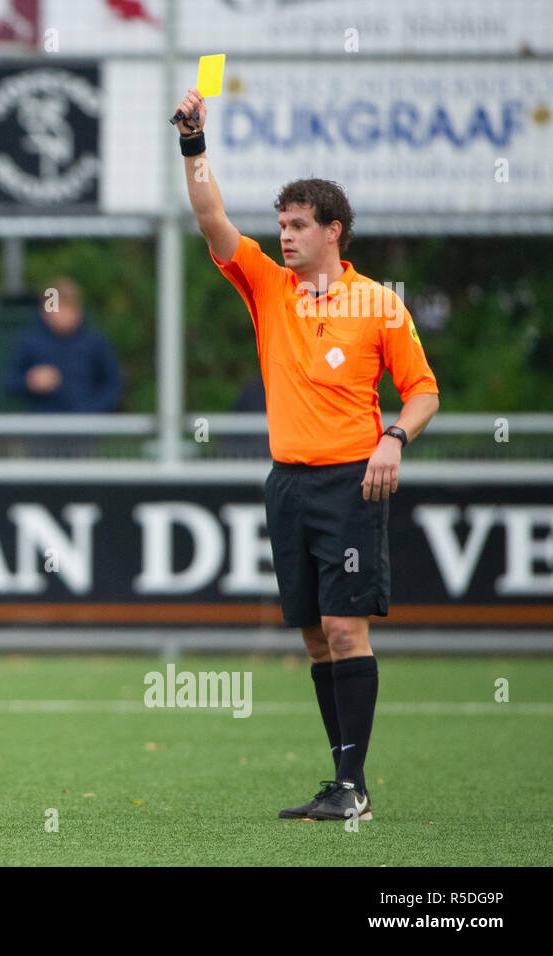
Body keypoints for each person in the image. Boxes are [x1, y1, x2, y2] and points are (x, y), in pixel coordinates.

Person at [174, 87, 440, 822]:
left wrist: (394, 439)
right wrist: (194, 147)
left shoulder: (380, 305)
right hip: (287, 485)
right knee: (318, 638)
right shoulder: (269, 286)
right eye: (281, 224)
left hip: (352, 483)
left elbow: (424, 393)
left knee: (347, 629)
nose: (284, 236)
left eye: (297, 225)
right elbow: (210, 218)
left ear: (334, 232)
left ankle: (355, 789)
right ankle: (340, 782)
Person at [4, 277, 124, 413]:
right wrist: (31, 382)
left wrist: (93, 409)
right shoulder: (30, 340)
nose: (63, 315)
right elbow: (10, 382)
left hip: (85, 427)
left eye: (68, 309)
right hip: (43, 426)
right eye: (58, 309)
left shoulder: (95, 341)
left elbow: (113, 384)